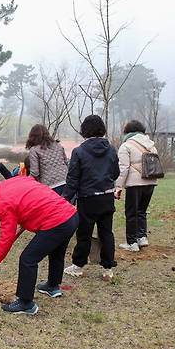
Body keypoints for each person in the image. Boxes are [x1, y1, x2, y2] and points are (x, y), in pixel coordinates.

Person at [0, 176, 78, 315]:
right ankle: (52, 286)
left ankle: (25, 303)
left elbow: (7, 234)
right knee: (56, 252)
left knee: (27, 259)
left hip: (56, 221)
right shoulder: (15, 181)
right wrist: (23, 223)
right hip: (70, 216)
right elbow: (30, 200)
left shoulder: (2, 200)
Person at [63, 115, 119, 281]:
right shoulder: (111, 149)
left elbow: (73, 179)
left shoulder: (79, 151)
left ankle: (78, 266)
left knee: (84, 234)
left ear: (84, 131)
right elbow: (115, 172)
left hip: (87, 198)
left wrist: (64, 199)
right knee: (106, 232)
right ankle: (108, 268)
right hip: (107, 196)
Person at [115, 120, 158, 252]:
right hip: (151, 182)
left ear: (127, 132)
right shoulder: (151, 145)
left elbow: (123, 168)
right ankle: (142, 237)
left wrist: (118, 186)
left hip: (134, 184)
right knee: (142, 211)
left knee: (131, 213)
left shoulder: (126, 146)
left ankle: (132, 243)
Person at [25, 124, 68, 195]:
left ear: (32, 136)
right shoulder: (58, 145)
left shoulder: (34, 150)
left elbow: (35, 173)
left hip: (50, 187)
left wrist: (26, 182)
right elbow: (66, 163)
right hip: (66, 183)